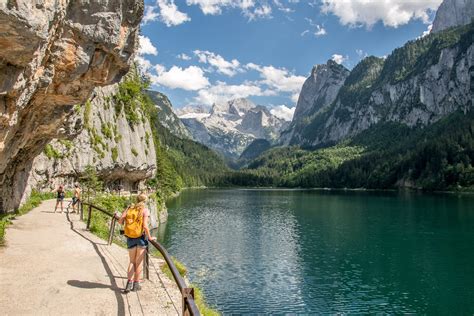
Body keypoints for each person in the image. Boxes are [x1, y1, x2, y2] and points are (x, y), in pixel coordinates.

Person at [117, 193, 156, 293]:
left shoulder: (130, 208)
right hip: (141, 238)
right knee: (138, 263)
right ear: (145, 201)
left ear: (136, 199)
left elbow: (120, 221)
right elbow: (145, 226)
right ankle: (136, 284)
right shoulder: (144, 210)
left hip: (130, 237)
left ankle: (128, 284)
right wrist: (150, 237)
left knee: (131, 262)